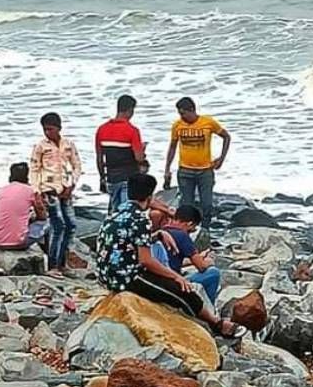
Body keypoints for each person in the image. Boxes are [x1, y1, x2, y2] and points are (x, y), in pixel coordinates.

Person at [96, 174, 241, 337]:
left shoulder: (113, 216)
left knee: (173, 283)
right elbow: (146, 260)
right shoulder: (139, 220)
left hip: (106, 275)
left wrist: (158, 235)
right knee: (182, 291)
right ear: (150, 197)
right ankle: (217, 324)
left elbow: (126, 243)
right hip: (127, 278)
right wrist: (176, 277)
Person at [164, 97, 230, 227]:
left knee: (207, 204)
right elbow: (172, 146)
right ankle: (187, 230)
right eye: (179, 113)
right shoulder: (177, 125)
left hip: (205, 171)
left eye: (183, 113)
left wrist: (221, 158)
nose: (181, 116)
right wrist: (167, 168)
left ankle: (205, 230)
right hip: (185, 170)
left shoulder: (208, 122)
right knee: (186, 205)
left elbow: (226, 137)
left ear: (192, 110)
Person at [30, 112, 82, 276]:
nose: (47, 133)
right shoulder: (41, 146)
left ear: (58, 128)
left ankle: (62, 261)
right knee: (58, 225)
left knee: (70, 225)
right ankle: (53, 264)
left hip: (65, 189)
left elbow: (76, 165)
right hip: (49, 189)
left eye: (50, 129)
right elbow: (34, 169)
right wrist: (37, 191)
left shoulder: (68, 144)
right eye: (45, 130)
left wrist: (72, 184)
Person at [158, 205, 222, 303]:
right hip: (173, 283)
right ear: (189, 224)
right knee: (214, 273)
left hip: (158, 278)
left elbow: (172, 260)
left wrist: (199, 257)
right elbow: (201, 267)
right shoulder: (182, 236)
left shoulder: (161, 232)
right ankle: (209, 307)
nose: (190, 233)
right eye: (192, 229)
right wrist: (208, 262)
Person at [95, 94, 146, 212]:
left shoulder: (102, 129)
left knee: (114, 211)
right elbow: (139, 158)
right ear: (130, 110)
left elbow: (99, 158)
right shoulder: (132, 130)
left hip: (112, 178)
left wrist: (102, 178)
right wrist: (142, 150)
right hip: (128, 177)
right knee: (126, 212)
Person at [0, 162, 48, 251]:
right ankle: (51, 259)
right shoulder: (31, 191)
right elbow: (42, 216)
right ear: (27, 177)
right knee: (49, 223)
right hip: (18, 243)